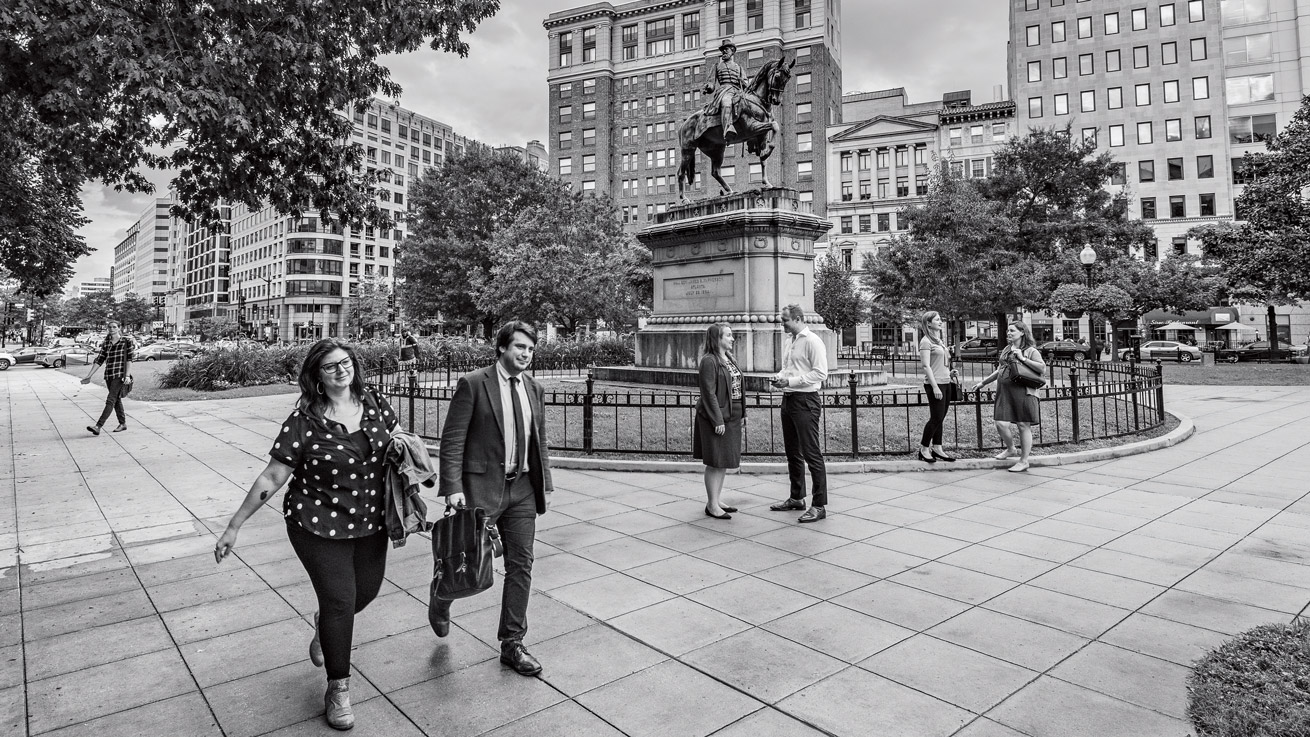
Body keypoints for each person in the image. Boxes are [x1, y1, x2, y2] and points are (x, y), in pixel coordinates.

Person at [214, 339, 399, 730]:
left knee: (364, 592)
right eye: (330, 366)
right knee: (340, 601)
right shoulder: (303, 421)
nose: (341, 371)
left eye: (345, 363)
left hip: (370, 522)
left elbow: (398, 446)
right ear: (316, 376)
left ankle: (325, 627)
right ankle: (338, 688)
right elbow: (272, 476)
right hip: (316, 523)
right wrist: (235, 525)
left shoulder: (377, 404)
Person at [435, 320, 553, 676]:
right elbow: (453, 439)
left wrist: (544, 481)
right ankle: (441, 598)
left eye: (531, 349)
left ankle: (512, 643)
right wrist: (452, 486)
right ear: (501, 347)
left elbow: (539, 439)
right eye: (520, 347)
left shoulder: (533, 387)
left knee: (522, 564)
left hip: (522, 490)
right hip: (481, 488)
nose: (526, 354)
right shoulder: (473, 384)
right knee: (468, 565)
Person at [768, 305, 829, 522]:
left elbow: (821, 373)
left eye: (785, 320)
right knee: (793, 452)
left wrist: (792, 381)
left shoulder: (812, 341)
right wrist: (780, 378)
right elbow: (788, 369)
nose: (782, 324)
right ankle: (797, 497)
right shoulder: (789, 341)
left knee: (812, 453)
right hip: (789, 398)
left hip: (806, 401)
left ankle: (819, 505)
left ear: (798, 319)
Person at [971, 322, 1046, 473]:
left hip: (1023, 392)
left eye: (1012, 330)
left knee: (1023, 425)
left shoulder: (1030, 350)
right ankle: (1011, 449)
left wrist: (1023, 358)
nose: (1009, 333)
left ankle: (1024, 461)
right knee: (1000, 423)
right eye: (1008, 330)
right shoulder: (1006, 349)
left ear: (1022, 332)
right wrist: (983, 383)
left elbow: (1042, 368)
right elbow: (1000, 370)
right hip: (1005, 392)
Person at [694, 323, 746, 519]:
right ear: (717, 339)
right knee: (715, 460)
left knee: (723, 460)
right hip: (715, 417)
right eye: (728, 336)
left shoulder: (729, 358)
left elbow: (738, 387)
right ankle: (712, 505)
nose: (732, 339)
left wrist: (743, 413)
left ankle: (716, 500)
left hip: (732, 415)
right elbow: (708, 393)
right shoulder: (709, 360)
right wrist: (717, 420)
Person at [81, 320, 135, 435]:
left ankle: (98, 426)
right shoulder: (106, 343)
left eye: (114, 327)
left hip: (120, 375)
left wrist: (127, 375)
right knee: (116, 400)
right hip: (109, 375)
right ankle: (122, 423)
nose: (112, 329)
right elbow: (99, 360)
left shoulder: (126, 341)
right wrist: (89, 376)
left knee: (110, 400)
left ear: (119, 328)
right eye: (110, 327)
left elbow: (129, 359)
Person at [917, 311, 958, 463]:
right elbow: (926, 366)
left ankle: (938, 448)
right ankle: (924, 448)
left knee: (940, 418)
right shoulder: (926, 341)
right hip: (935, 384)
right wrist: (935, 387)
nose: (941, 322)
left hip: (946, 382)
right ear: (928, 323)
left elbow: (941, 362)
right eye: (937, 320)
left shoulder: (939, 341)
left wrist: (950, 372)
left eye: (941, 319)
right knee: (936, 418)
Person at [702, 39, 744, 137]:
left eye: (727, 49)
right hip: (725, 91)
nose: (724, 52)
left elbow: (745, 82)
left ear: (732, 51)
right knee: (726, 102)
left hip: (738, 91)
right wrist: (708, 87)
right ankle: (727, 129)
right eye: (723, 50)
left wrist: (743, 82)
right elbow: (712, 83)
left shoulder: (739, 67)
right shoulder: (717, 66)